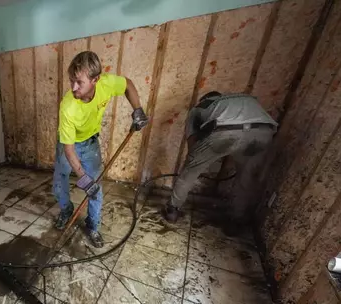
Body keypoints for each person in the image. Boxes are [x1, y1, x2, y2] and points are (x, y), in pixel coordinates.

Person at [53, 51, 149, 248]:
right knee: (59, 181)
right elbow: (69, 151)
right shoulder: (68, 106)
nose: (73, 87)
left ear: (96, 79)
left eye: (79, 82)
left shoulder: (106, 84)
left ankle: (93, 225)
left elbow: (128, 84)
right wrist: (82, 178)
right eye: (71, 80)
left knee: (95, 188)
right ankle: (65, 209)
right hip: (68, 144)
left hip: (90, 144)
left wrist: (137, 109)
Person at [162, 91, 278, 228]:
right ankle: (236, 220)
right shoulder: (243, 98)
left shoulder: (201, 106)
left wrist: (196, 163)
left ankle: (172, 210)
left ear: (205, 98)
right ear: (220, 96)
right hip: (264, 132)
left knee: (189, 173)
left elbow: (192, 142)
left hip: (225, 131)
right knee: (247, 177)